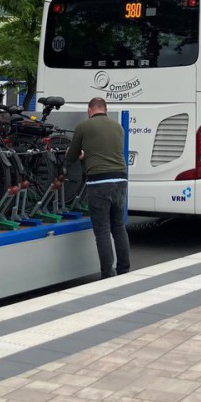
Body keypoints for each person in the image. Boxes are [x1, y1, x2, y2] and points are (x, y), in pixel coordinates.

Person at [64, 97, 130, 278]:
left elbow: (72, 154)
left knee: (102, 231)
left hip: (99, 181)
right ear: (105, 110)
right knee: (119, 227)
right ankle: (124, 269)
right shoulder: (118, 127)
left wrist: (63, 170)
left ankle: (107, 274)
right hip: (121, 180)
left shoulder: (84, 127)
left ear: (89, 110)